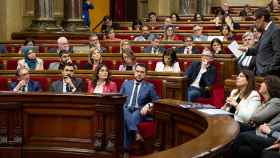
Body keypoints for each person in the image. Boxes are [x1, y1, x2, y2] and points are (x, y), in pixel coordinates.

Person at [232, 75, 280, 158]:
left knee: (241, 136)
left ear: (270, 86)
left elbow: (256, 117)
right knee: (242, 149)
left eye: (263, 82)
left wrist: (270, 131)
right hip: (262, 131)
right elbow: (255, 116)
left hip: (269, 136)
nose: (260, 84)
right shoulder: (268, 101)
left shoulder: (276, 101)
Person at [120, 63, 160, 154]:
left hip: (139, 111)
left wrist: (149, 105)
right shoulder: (126, 84)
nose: (139, 74)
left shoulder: (150, 86)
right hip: (126, 109)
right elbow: (119, 98)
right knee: (124, 109)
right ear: (134, 72)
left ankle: (126, 150)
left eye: (142, 72)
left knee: (135, 115)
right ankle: (136, 133)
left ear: (145, 74)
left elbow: (157, 100)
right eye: (137, 71)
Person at [240, 8, 280, 76]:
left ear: (262, 18)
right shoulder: (265, 31)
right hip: (260, 72)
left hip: (269, 74)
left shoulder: (275, 30)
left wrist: (269, 70)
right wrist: (247, 49)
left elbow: (279, 54)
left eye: (255, 20)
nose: (254, 23)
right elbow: (258, 49)